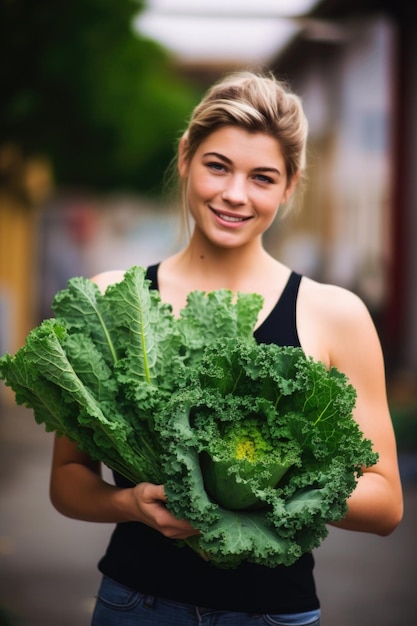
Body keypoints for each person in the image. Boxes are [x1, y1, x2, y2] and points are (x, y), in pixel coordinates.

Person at [49, 70, 403, 626]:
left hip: (272, 615)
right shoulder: (109, 302)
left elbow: (385, 503)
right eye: (218, 166)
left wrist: (271, 482)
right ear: (187, 156)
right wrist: (130, 505)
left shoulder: (335, 314)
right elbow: (68, 480)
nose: (235, 194)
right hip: (135, 604)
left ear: (290, 186)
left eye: (262, 177)